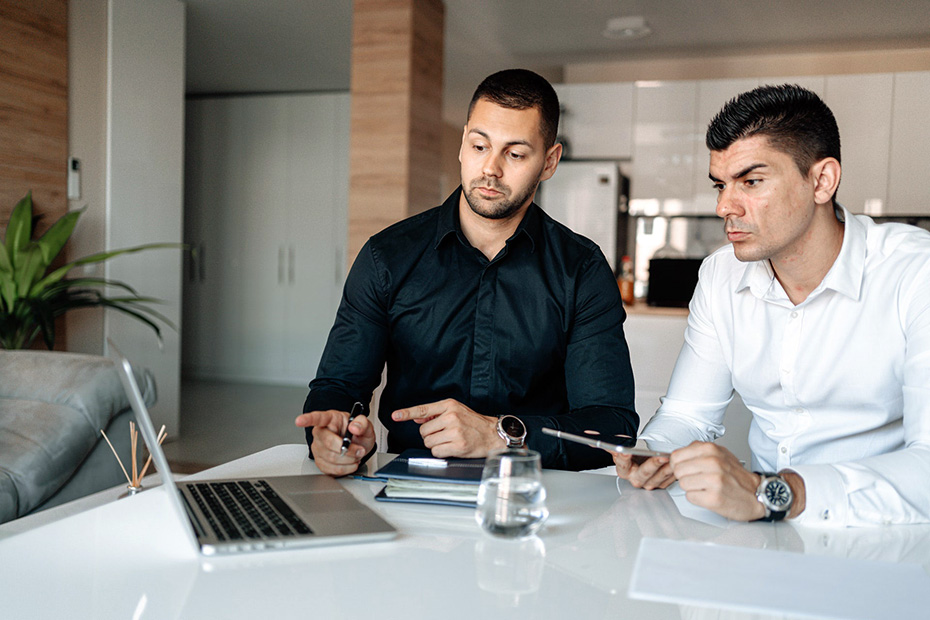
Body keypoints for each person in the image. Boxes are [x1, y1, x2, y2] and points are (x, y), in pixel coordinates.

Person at [615, 84, 930, 527]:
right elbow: (687, 414)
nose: (724, 205)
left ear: (821, 181)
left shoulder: (916, 273)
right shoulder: (721, 275)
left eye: (751, 181)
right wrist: (654, 452)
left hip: (887, 536)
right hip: (762, 527)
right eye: (721, 185)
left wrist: (777, 492)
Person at [297, 69, 637, 476]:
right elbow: (339, 386)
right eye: (479, 146)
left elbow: (612, 428)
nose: (490, 168)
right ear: (462, 145)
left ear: (549, 162)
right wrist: (338, 437)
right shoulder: (387, 257)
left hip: (534, 497)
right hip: (409, 487)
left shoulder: (581, 269)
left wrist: (501, 435)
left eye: (514, 154)